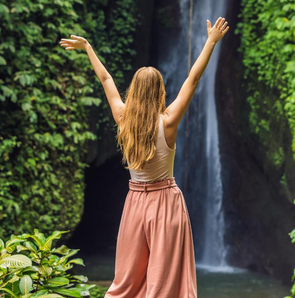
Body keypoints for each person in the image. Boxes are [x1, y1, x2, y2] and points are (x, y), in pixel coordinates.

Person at [60, 17, 229, 298]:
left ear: (134, 92)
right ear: (160, 91)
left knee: (126, 281)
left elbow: (106, 78)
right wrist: (211, 41)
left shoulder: (122, 118)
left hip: (135, 203)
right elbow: (193, 79)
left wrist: (88, 47)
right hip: (166, 204)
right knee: (165, 283)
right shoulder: (169, 121)